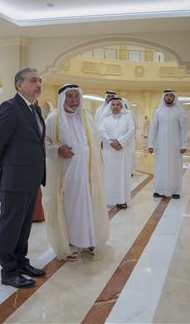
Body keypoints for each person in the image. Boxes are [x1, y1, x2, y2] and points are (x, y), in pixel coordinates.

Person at [0, 68, 46, 288]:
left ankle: (21, 262)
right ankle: (9, 271)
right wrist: (0, 167)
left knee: (24, 226)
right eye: (33, 81)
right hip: (15, 177)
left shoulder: (35, 108)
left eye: (40, 80)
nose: (38, 84)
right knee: (10, 226)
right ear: (18, 85)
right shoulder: (10, 108)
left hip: (31, 178)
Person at [43, 84, 109, 261]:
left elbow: (95, 142)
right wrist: (57, 150)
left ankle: (89, 240)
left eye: (76, 96)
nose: (73, 100)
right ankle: (70, 243)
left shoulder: (86, 116)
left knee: (90, 205)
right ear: (63, 98)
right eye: (69, 97)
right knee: (70, 208)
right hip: (66, 175)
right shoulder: (53, 119)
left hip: (88, 173)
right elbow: (44, 143)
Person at [148, 90, 188, 199]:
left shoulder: (179, 111)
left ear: (174, 98)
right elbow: (153, 128)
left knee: (175, 167)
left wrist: (183, 145)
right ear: (164, 97)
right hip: (160, 145)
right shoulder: (158, 111)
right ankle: (159, 190)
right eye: (167, 96)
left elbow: (184, 129)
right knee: (160, 166)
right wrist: (150, 144)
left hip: (175, 145)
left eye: (171, 96)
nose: (169, 98)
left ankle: (176, 191)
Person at [99, 97, 135, 209]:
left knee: (123, 175)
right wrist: (111, 142)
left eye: (117, 105)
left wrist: (120, 142)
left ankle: (122, 200)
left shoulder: (127, 118)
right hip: (109, 152)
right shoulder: (105, 119)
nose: (115, 106)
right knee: (109, 176)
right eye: (113, 105)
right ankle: (109, 199)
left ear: (121, 106)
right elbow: (101, 132)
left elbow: (131, 130)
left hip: (123, 151)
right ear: (110, 106)